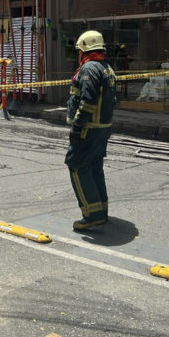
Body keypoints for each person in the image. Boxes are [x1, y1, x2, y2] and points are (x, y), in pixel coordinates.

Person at [65, 30, 116, 230]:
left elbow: (88, 100)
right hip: (103, 128)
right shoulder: (106, 68)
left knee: (76, 165)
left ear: (84, 49)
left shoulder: (89, 69)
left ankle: (92, 214)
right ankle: (101, 209)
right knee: (95, 168)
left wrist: (78, 125)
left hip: (89, 128)